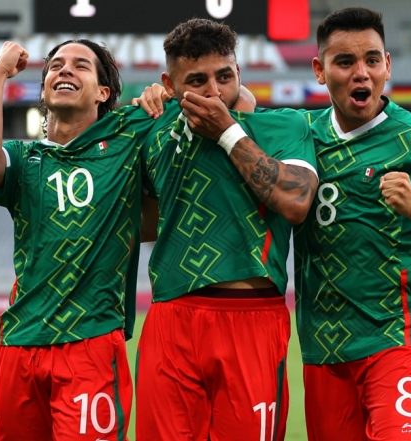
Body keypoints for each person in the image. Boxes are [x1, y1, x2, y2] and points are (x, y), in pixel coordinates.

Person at [138, 7, 411, 441]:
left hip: (394, 338)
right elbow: (243, 110)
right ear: (320, 70)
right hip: (324, 348)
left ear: (387, 65)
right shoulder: (305, 131)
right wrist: (166, 97)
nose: (361, 73)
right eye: (345, 62)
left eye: (372, 60)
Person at [134, 18, 319, 441]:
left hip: (251, 318)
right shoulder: (154, 134)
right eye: (197, 80)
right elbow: (137, 223)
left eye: (225, 76)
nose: (215, 91)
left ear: (240, 73)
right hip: (171, 318)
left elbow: (295, 202)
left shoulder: (285, 127)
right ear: (169, 83)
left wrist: (228, 132)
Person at [0, 39, 156, 441]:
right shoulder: (24, 158)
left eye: (80, 66)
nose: (64, 70)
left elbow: (216, 95)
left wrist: (161, 94)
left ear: (104, 93)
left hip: (89, 340)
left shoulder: (125, 142)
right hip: (20, 342)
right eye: (55, 65)